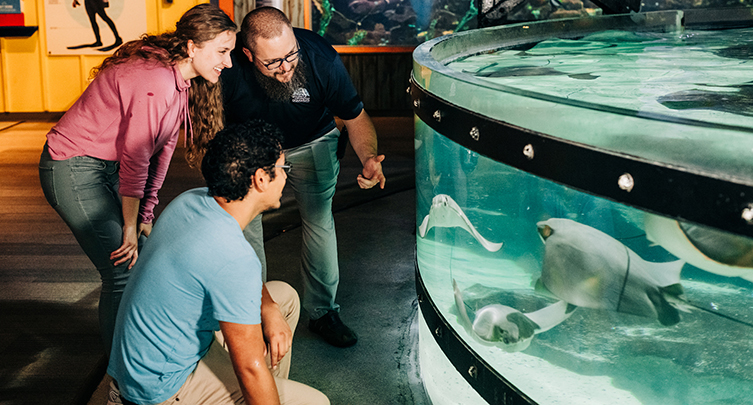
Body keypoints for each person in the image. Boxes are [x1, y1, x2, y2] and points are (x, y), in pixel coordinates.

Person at [39, 3, 236, 354]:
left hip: (104, 167)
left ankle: (143, 353)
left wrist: (145, 215)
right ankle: (121, 378)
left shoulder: (180, 82)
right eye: (222, 51)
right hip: (71, 165)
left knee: (142, 259)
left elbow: (163, 149)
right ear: (192, 47)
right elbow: (136, 156)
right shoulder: (156, 81)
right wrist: (129, 225)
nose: (229, 62)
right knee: (121, 270)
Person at [107, 120, 329, 405]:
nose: (286, 177)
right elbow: (249, 366)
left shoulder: (192, 201)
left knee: (283, 298)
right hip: (160, 389)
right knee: (316, 402)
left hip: (143, 364)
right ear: (261, 179)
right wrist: (256, 377)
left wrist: (270, 308)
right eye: (283, 169)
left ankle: (269, 390)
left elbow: (228, 273)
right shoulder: (232, 254)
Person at [218, 6, 386, 348]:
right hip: (252, 149)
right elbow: (211, 128)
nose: (287, 67)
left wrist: (368, 158)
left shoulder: (320, 57)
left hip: (314, 140)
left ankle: (323, 312)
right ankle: (255, 313)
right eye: (273, 62)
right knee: (245, 230)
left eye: (290, 54)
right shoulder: (227, 68)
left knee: (319, 220)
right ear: (248, 54)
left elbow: (354, 117)